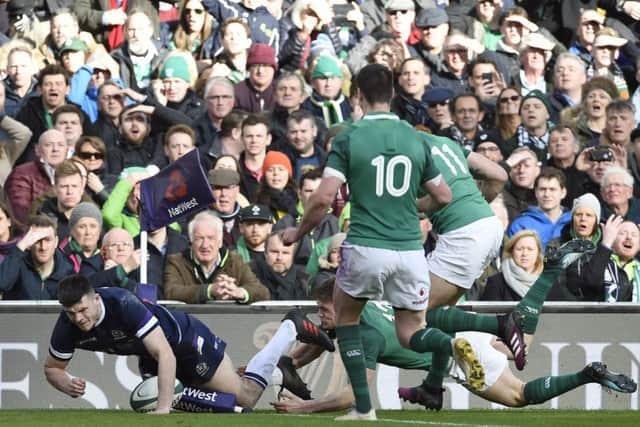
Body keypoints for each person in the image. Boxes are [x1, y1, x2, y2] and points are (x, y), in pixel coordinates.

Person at [281, 64, 487, 421]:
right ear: (391, 94)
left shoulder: (349, 136)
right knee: (411, 331)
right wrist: (413, 206)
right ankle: (448, 344)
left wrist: (297, 233)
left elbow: (323, 198)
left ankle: (363, 408)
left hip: (366, 246)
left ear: (357, 95)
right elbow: (442, 195)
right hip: (410, 251)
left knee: (346, 317)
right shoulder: (415, 138)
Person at [271, 276, 637, 413]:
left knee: (521, 395)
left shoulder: (362, 335)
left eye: (322, 308)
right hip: (462, 334)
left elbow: (354, 397)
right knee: (518, 342)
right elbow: (321, 341)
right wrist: (278, 365)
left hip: (459, 359)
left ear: (338, 304)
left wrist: (307, 406)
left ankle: (588, 373)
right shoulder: (367, 308)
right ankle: (549, 273)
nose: (319, 317)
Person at [44, 273, 335, 414]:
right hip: (150, 358)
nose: (79, 319)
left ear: (95, 299)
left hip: (185, 341)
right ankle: (277, 373)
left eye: (83, 310)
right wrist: (65, 383)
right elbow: (52, 368)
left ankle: (289, 327)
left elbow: (166, 354)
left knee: (244, 398)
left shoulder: (122, 304)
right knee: (229, 407)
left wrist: (163, 409)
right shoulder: (68, 324)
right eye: (71, 313)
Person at [164, 210, 270, 304]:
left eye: (211, 238)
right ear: (191, 241)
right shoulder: (177, 261)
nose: (205, 245)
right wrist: (209, 290)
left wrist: (239, 292)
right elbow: (171, 292)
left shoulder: (235, 261)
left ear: (220, 241)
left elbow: (262, 292)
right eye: (199, 238)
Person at [0, 214, 74, 300]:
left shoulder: (67, 270)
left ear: (56, 242)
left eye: (47, 240)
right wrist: (21, 246)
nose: (43, 247)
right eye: (37, 241)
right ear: (29, 243)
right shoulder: (16, 264)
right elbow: (2, 285)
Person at [506, 167, 572, 250]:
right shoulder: (521, 224)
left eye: (552, 189)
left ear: (563, 193)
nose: (547, 194)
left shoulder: (573, 221)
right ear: (536, 192)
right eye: (542, 189)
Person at [481, 231, 544, 301]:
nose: (524, 253)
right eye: (519, 249)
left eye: (530, 249)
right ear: (511, 252)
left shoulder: (550, 282)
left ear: (538, 253)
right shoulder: (496, 282)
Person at [250, 232, 309, 300]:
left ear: (293, 256)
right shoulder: (249, 277)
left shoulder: (305, 283)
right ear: (265, 254)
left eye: (285, 253)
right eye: (274, 252)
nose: (279, 258)